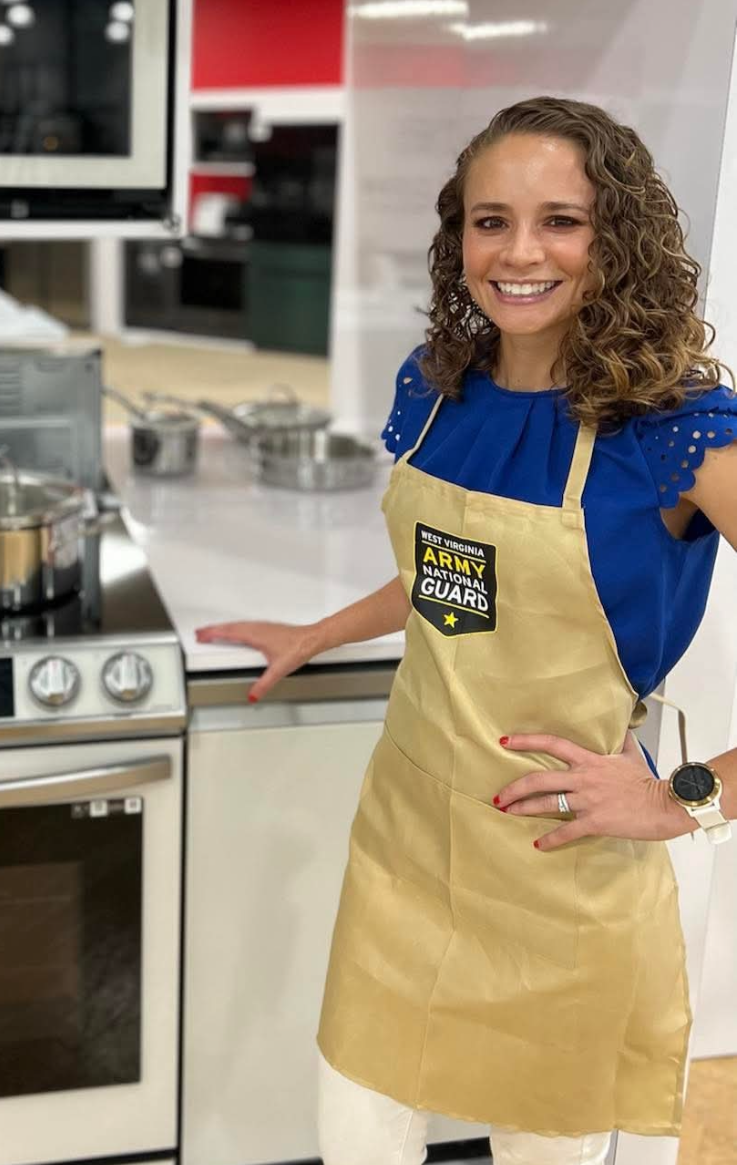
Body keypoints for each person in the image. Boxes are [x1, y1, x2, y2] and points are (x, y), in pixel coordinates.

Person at [195, 95, 737, 1165]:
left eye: (561, 221)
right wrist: (321, 628)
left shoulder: (671, 430)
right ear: (459, 239)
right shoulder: (437, 389)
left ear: (616, 239)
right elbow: (455, 573)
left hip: (568, 865)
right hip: (408, 837)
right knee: (355, 1132)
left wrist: (691, 795)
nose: (519, 252)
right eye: (490, 221)